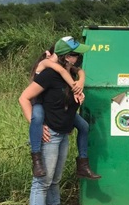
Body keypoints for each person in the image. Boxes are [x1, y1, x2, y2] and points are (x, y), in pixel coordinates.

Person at [19, 36, 91, 205]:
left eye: (78, 55)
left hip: (63, 133)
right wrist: (36, 124)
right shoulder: (50, 74)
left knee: (55, 180)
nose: (78, 58)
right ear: (65, 56)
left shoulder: (71, 76)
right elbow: (24, 98)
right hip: (50, 134)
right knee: (42, 181)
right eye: (75, 55)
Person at [29, 46, 101, 180]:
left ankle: (83, 162)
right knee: (37, 120)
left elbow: (79, 70)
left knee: (84, 126)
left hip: (57, 109)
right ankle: (36, 157)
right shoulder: (46, 63)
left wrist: (80, 81)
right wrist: (77, 87)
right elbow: (61, 70)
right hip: (38, 102)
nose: (78, 58)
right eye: (75, 55)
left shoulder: (67, 68)